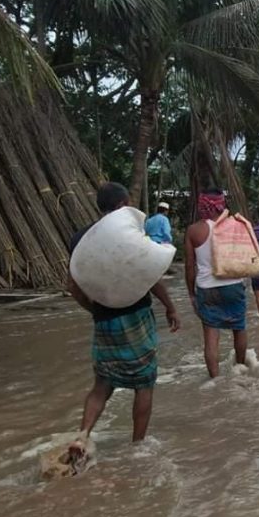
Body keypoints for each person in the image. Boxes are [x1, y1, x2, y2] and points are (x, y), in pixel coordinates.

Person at [67, 182, 180, 454]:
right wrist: (170, 306)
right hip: (136, 316)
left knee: (102, 384)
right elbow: (148, 275)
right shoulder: (131, 234)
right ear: (122, 205)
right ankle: (137, 447)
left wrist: (94, 311)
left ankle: (82, 435)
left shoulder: (81, 238)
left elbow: (73, 285)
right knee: (144, 383)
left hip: (104, 320)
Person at [185, 188, 249, 377]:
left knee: (211, 337)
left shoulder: (194, 230)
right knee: (239, 327)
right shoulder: (235, 225)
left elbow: (189, 266)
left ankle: (214, 380)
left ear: (202, 204)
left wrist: (191, 293)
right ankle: (241, 370)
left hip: (207, 287)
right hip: (233, 283)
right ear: (222, 203)